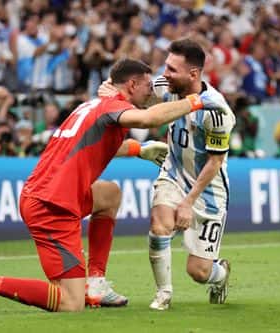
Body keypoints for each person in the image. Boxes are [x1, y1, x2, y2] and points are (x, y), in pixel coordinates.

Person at [0, 58, 229, 313]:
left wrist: (138, 151)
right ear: (131, 85)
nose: (151, 93)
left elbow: (92, 145)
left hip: (49, 192)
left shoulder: (94, 105)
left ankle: (96, 282)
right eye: (147, 87)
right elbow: (148, 118)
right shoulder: (116, 107)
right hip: (51, 206)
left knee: (110, 194)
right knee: (70, 302)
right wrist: (198, 100)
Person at [98, 38, 235, 310]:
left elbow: (215, 163)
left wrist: (188, 202)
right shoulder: (166, 87)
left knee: (199, 272)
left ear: (193, 74)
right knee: (159, 224)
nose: (164, 74)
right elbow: (134, 94)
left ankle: (220, 274)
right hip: (172, 173)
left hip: (207, 190)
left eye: (172, 69)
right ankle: (164, 293)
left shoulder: (217, 111)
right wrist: (110, 90)